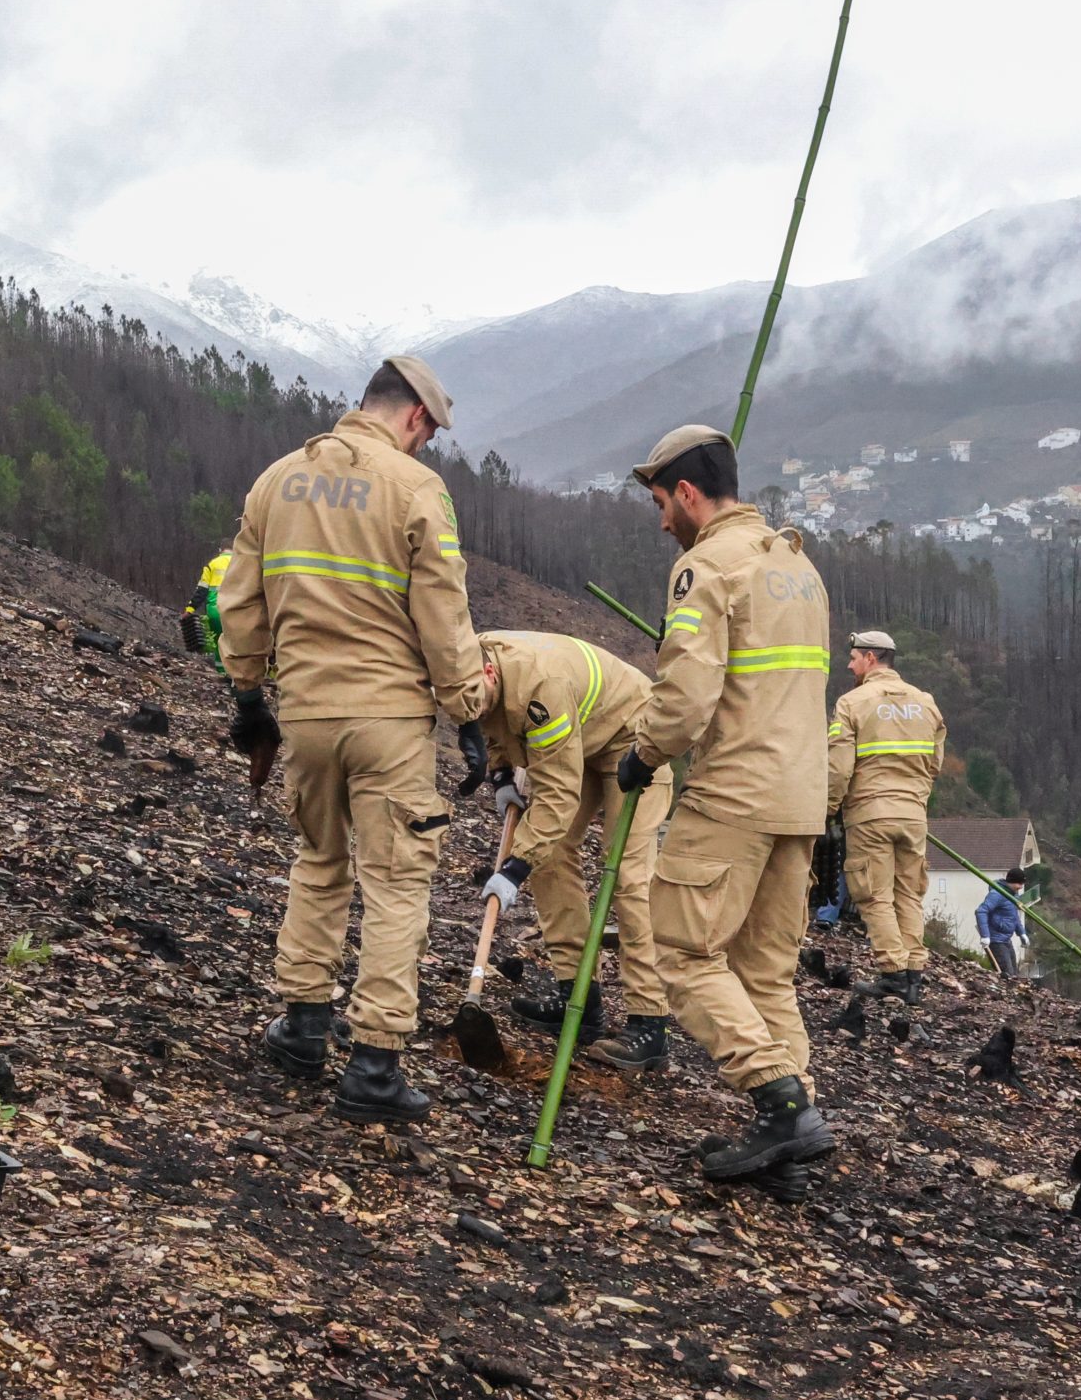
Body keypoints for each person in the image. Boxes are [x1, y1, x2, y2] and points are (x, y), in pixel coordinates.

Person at [217, 356, 487, 1125]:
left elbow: (239, 602)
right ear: (415, 418)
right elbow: (443, 614)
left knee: (319, 859)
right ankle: (374, 1064)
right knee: (398, 881)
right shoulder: (414, 488)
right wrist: (468, 713)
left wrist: (248, 699)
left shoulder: (277, 481)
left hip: (305, 713)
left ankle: (303, 1027)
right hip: (388, 721)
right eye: (427, 434)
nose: (424, 446)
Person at [610, 424, 836, 1193]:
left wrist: (640, 754)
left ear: (685, 493)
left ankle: (777, 1097)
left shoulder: (704, 567)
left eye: (658, 503)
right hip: (802, 798)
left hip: (735, 791)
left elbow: (686, 698)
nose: (659, 521)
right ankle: (794, 1131)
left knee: (680, 951)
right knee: (766, 971)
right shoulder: (798, 567)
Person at [468, 630, 677, 1072]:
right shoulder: (465, 668)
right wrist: (502, 775)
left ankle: (649, 1018)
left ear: (490, 672)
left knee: (625, 873)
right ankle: (579, 998)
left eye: (476, 700)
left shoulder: (538, 687)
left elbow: (557, 797)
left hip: (635, 737)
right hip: (579, 740)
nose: (471, 711)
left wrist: (512, 869)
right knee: (552, 856)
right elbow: (489, 720)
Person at [825, 630, 946, 1006]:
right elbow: (935, 764)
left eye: (854, 657)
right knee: (909, 894)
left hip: (869, 814)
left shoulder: (852, 702)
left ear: (871, 658)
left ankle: (891, 973)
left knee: (874, 894)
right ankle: (913, 974)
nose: (849, 664)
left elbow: (839, 767)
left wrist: (828, 808)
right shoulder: (926, 703)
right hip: (913, 815)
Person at [180, 545, 234, 670]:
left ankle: (222, 672)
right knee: (239, 643)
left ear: (220, 550)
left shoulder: (213, 564)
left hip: (216, 610)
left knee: (219, 642)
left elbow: (201, 591)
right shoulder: (242, 563)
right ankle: (240, 675)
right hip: (237, 609)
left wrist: (189, 610)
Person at [976, 867, 1027, 977]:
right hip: (996, 940)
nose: (1021, 886)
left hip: (1006, 939)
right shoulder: (997, 894)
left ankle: (1013, 993)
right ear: (1011, 881)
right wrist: (985, 936)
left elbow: (1014, 916)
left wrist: (1022, 933)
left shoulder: (1013, 896)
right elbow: (981, 911)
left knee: (1014, 974)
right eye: (1019, 883)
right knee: (1007, 974)